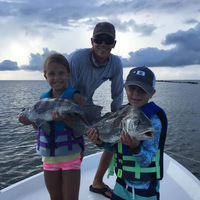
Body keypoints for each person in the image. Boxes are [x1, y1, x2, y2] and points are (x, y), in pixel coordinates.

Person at [87, 66, 168, 200]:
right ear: (125, 89)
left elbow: (147, 161)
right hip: (121, 184)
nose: (136, 94)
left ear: (152, 92)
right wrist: (99, 142)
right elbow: (114, 147)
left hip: (146, 190)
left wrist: (135, 148)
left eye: (142, 90)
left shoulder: (154, 122)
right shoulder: (123, 114)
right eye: (132, 88)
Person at [68, 22, 124, 198]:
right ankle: (70, 192)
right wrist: (78, 120)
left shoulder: (115, 63)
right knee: (76, 147)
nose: (103, 44)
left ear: (114, 44)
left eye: (108, 40)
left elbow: (117, 94)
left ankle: (97, 182)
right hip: (69, 103)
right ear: (92, 41)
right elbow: (65, 92)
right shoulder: (77, 59)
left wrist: (117, 121)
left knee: (112, 138)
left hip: (89, 106)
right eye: (99, 39)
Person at [18, 53, 84, 200]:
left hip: (70, 155)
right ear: (45, 76)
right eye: (52, 74)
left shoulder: (75, 97)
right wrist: (30, 121)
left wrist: (66, 118)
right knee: (55, 197)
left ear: (69, 74)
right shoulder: (43, 99)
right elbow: (41, 128)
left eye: (61, 73)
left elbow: (82, 127)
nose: (57, 78)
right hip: (49, 157)